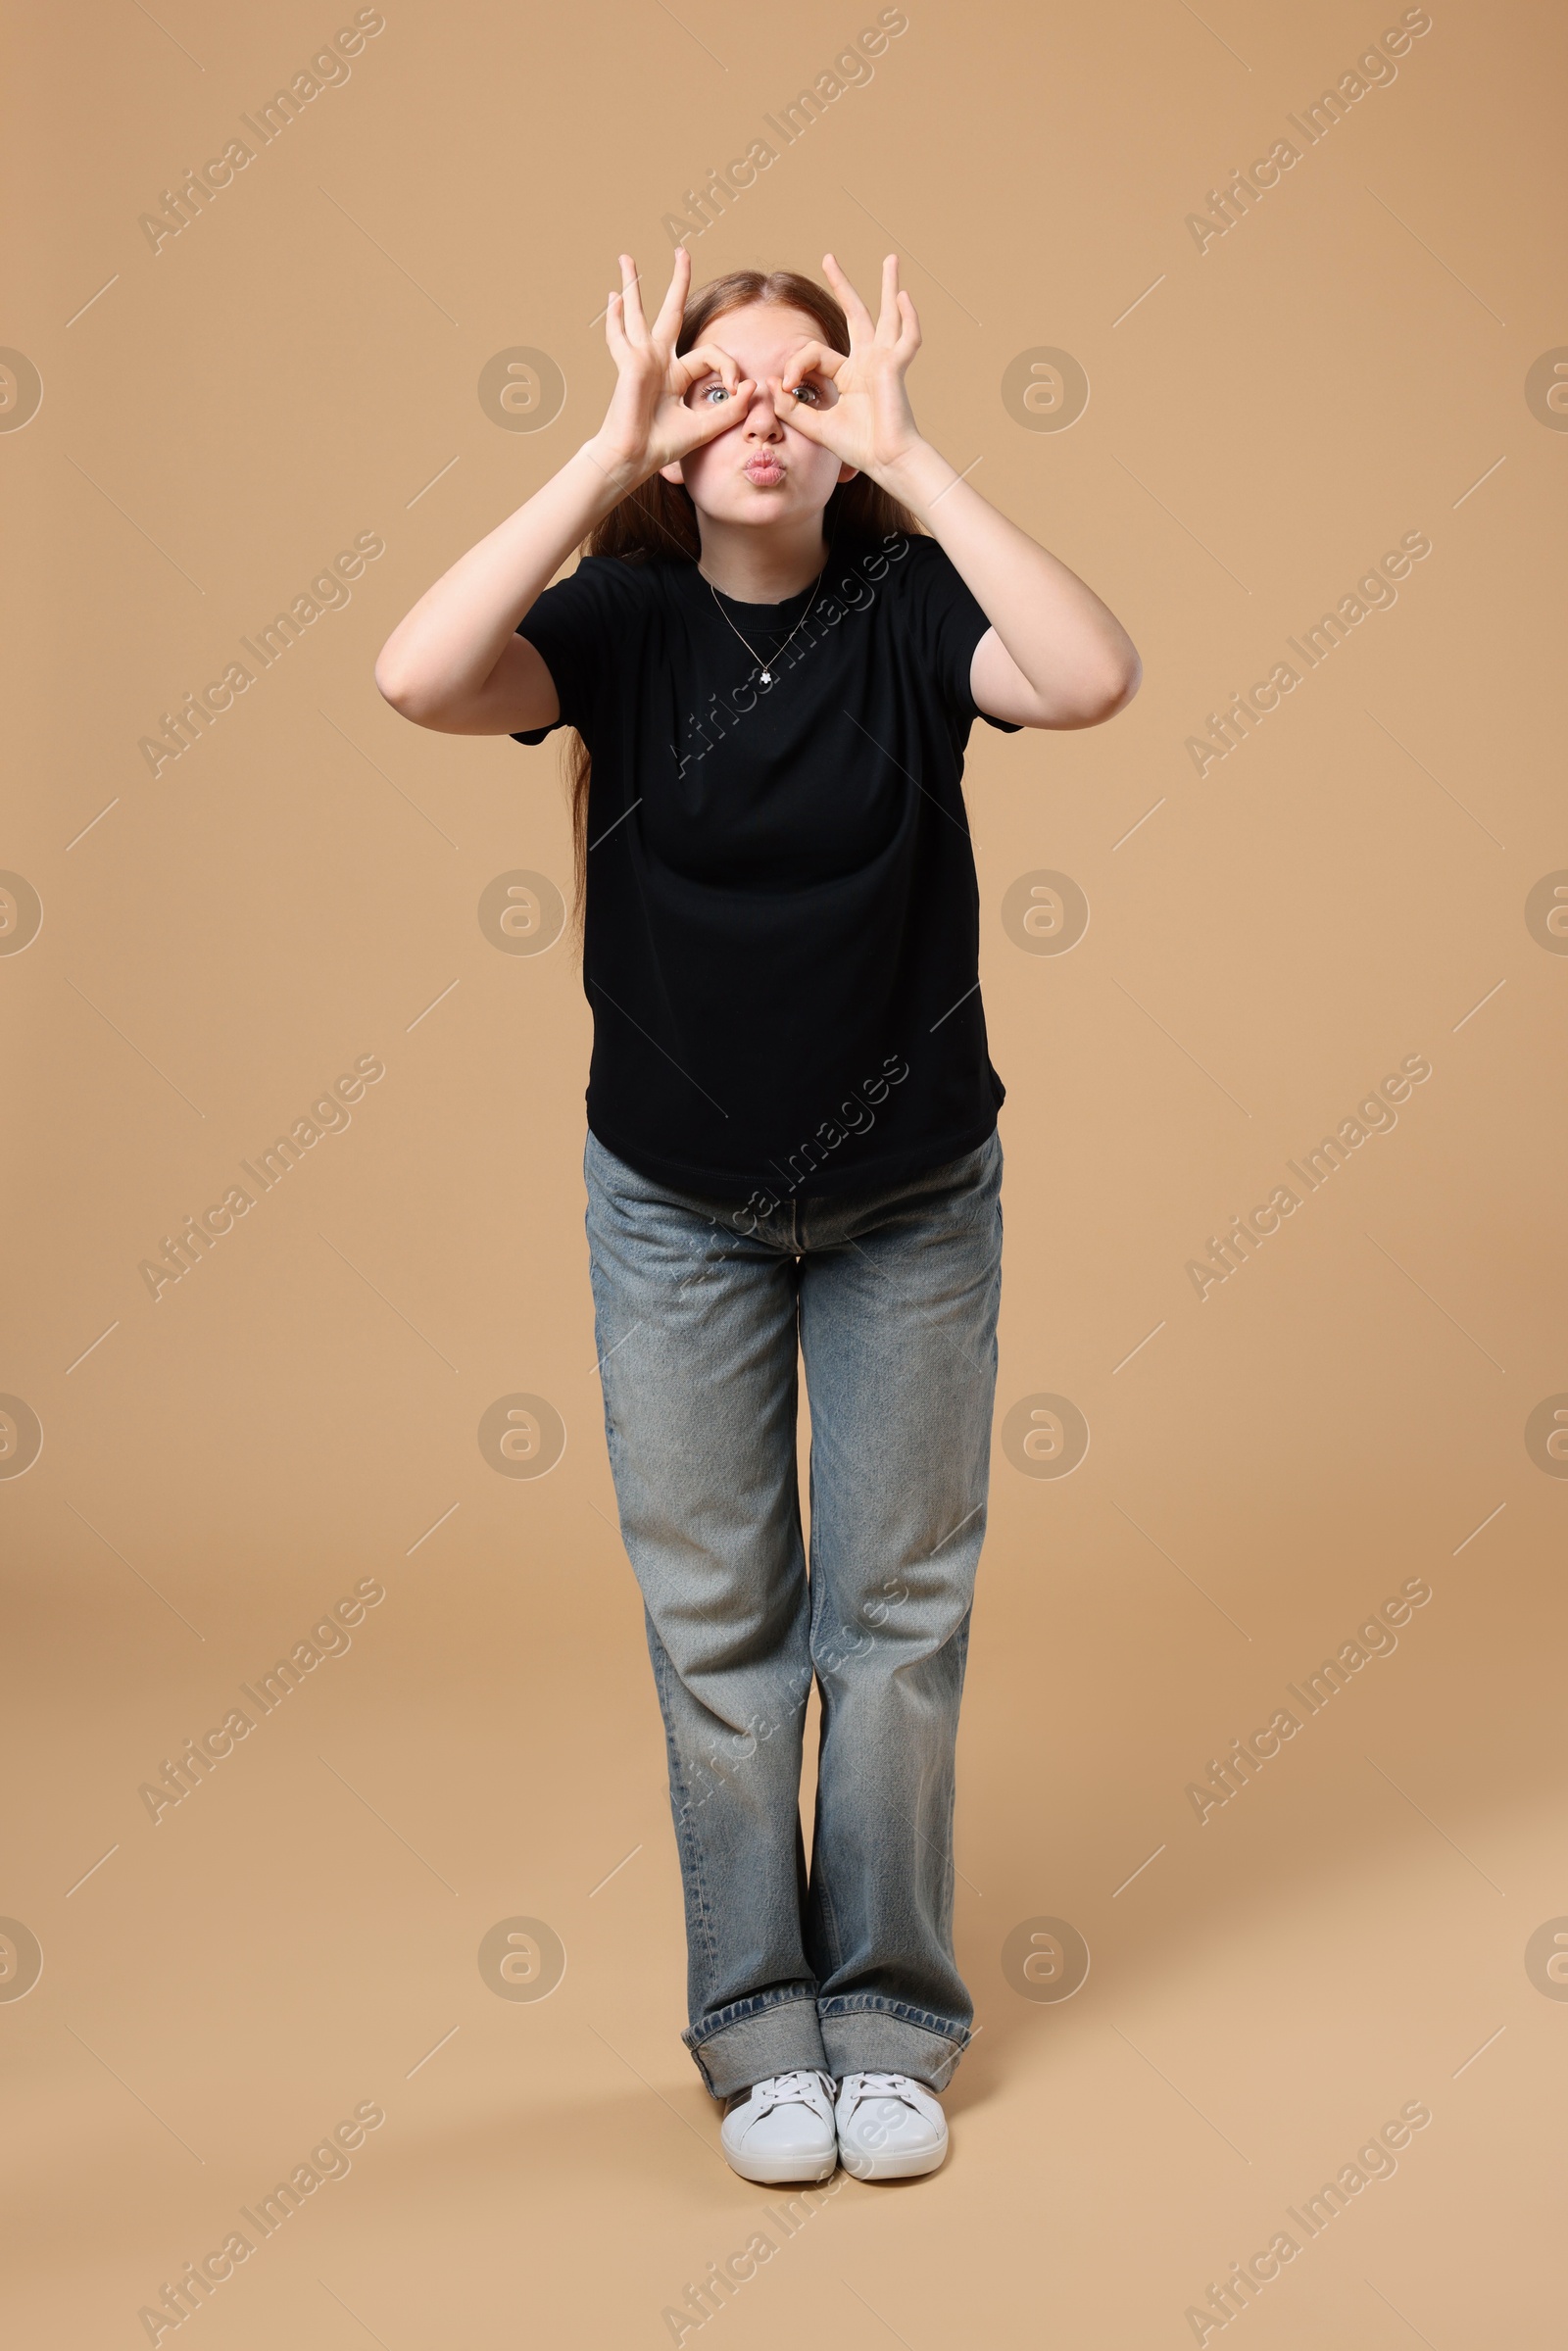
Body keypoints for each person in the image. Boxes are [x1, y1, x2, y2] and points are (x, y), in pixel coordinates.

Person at [375, 246, 1140, 2184]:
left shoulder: (902, 611)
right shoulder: (621, 623)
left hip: (908, 1209)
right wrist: (595, 446)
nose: (763, 418)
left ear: (846, 421)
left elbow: (1090, 675)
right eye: (721, 385)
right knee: (721, 1627)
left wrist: (922, 453)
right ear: (675, 422)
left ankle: (885, 2019)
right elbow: (415, 675)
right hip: (676, 1215)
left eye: (804, 385)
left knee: (890, 1619)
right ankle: (754, 2027)